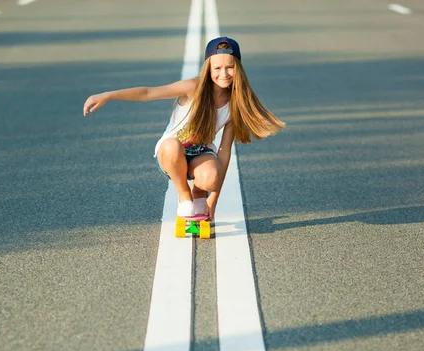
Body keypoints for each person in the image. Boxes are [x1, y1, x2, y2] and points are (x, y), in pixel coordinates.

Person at [83, 36, 285, 220]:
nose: (224, 73)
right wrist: (107, 95)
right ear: (208, 68)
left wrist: (212, 201)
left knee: (212, 176)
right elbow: (147, 93)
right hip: (170, 155)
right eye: (217, 68)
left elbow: (224, 153)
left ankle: (198, 191)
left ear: (238, 68)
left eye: (230, 67)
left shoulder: (235, 104)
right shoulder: (193, 87)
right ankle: (184, 195)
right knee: (173, 145)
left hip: (200, 154)